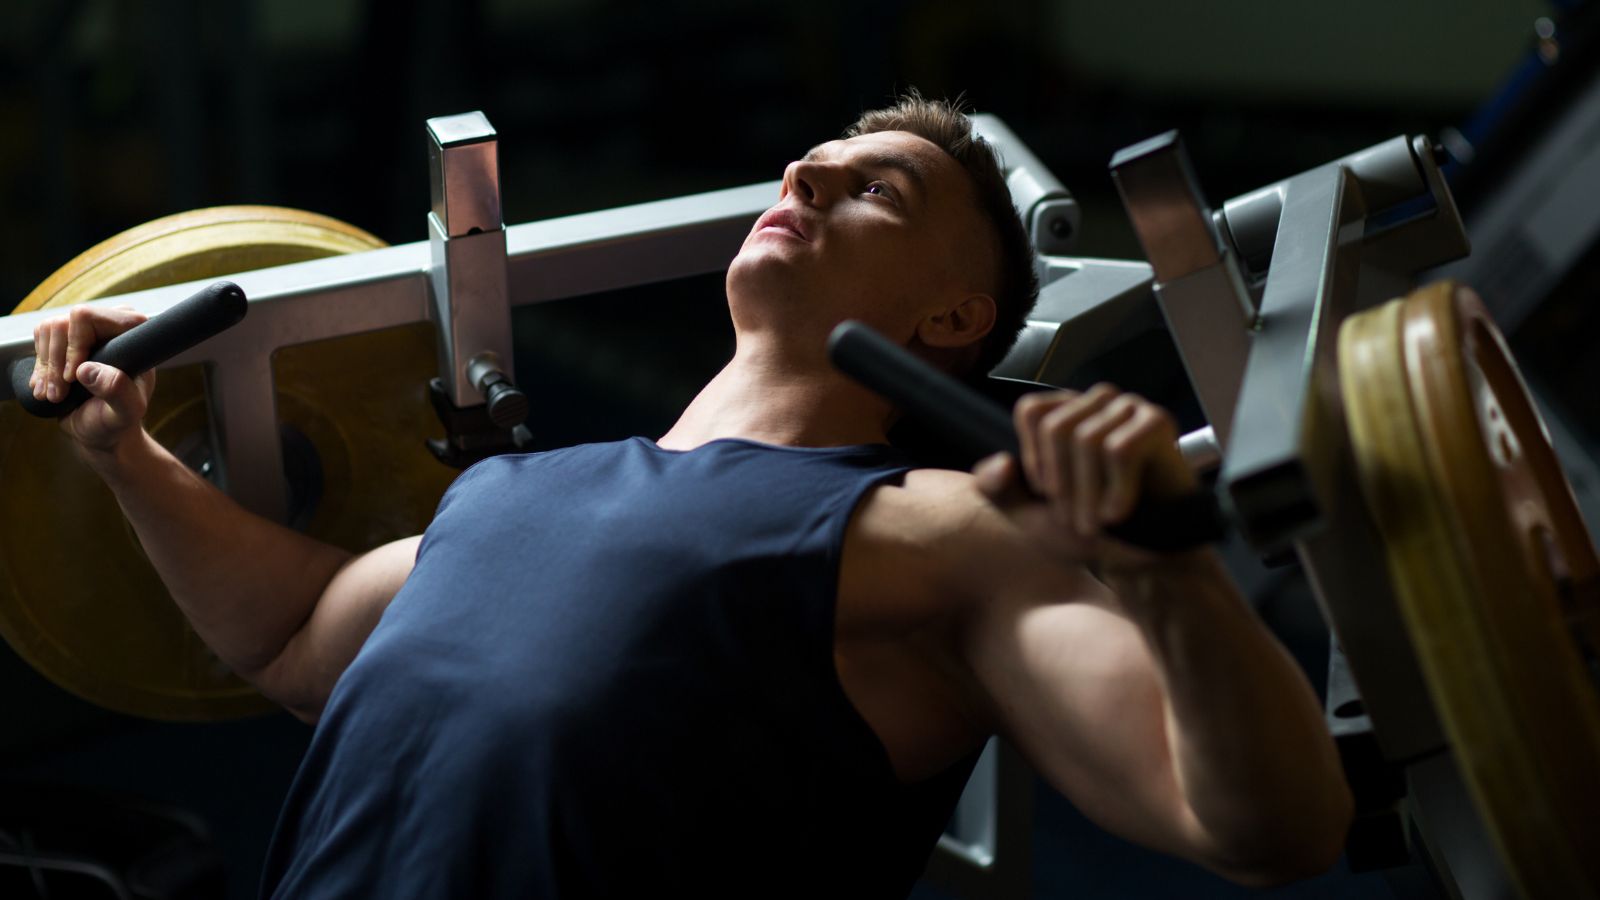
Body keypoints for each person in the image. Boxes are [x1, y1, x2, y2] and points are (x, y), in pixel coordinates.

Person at [28, 94, 1352, 897]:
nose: (806, 179)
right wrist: (127, 458)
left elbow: (1265, 828)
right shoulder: (513, 496)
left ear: (957, 312)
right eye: (804, 169)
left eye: (874, 187)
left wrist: (1169, 575)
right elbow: (292, 636)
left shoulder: (942, 533)